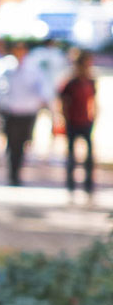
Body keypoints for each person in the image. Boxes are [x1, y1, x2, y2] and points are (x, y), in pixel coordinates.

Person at [0, 41, 52, 186]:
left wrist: (44, 102)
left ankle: (17, 170)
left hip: (27, 112)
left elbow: (43, 89)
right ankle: (12, 172)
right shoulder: (2, 67)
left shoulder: (33, 68)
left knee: (23, 142)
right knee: (12, 143)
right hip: (10, 112)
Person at [59, 50, 98, 199]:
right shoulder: (71, 82)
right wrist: (65, 118)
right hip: (72, 122)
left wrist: (93, 116)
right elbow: (63, 101)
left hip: (86, 122)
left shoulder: (91, 81)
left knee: (89, 156)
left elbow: (93, 101)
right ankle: (71, 185)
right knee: (71, 156)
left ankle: (88, 185)